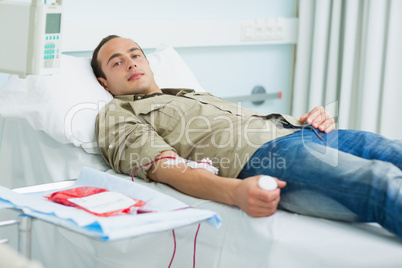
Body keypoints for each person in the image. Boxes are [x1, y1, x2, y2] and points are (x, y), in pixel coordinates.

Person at [92, 35, 402, 238]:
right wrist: (234, 192)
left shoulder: (190, 94)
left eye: (135, 54)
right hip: (264, 156)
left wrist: (310, 119)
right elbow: (165, 167)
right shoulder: (116, 114)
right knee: (381, 182)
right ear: (104, 82)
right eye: (117, 62)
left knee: (393, 151)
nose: (131, 62)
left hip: (299, 132)